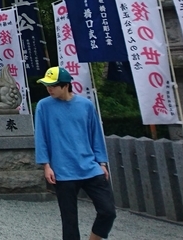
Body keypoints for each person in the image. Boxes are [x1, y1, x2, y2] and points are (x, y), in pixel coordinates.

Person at [35, 67, 116, 240]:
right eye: (47, 85)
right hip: (62, 172)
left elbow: (96, 135)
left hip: (90, 167)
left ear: (65, 85)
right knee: (69, 221)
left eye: (53, 85)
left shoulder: (86, 105)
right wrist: (46, 165)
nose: (49, 89)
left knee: (108, 211)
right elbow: (41, 137)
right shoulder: (44, 105)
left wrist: (102, 163)